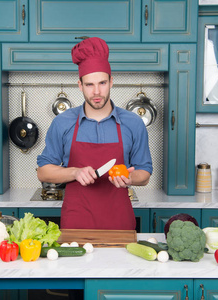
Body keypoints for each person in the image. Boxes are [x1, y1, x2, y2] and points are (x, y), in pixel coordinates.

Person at [37, 37, 152, 230]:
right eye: (89, 85)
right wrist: (74, 172)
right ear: (80, 85)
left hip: (119, 223)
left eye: (102, 83)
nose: (97, 92)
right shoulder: (62, 122)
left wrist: (130, 179)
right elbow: (43, 171)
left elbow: (145, 173)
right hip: (76, 223)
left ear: (111, 82)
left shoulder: (133, 123)